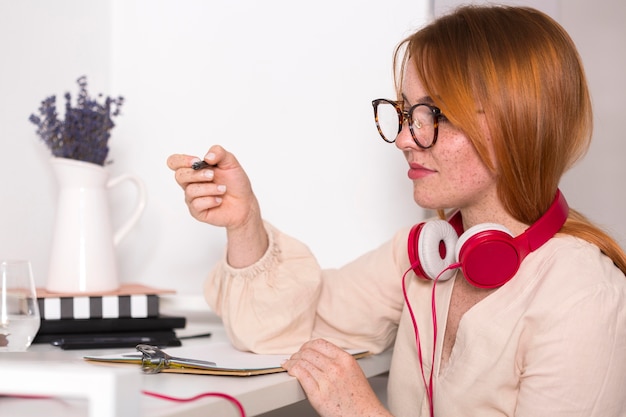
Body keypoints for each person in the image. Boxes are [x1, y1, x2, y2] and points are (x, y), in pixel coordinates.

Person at [167, 5, 626, 417]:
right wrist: (244, 225)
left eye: (434, 115)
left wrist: (361, 413)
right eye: (406, 113)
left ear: (515, 121)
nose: (406, 139)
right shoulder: (426, 258)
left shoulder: (584, 296)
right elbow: (285, 332)